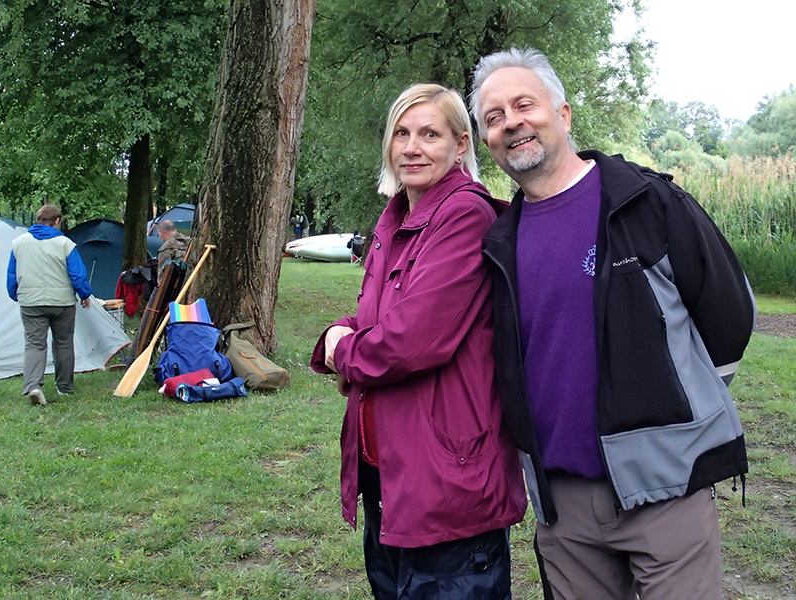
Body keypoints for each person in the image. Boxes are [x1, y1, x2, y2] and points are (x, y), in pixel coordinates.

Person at [469, 47, 757, 600]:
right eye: (494, 117)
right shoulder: (498, 243)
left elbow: (730, 314)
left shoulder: (647, 203)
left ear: (563, 113)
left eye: (524, 105)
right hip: (564, 510)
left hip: (667, 493)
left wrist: (679, 415)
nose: (512, 123)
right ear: (486, 140)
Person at [311, 83, 527, 599]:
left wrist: (342, 351)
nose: (412, 148)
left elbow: (410, 341)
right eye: (401, 134)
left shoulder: (463, 215)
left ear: (460, 145)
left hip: (447, 479)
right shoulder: (397, 217)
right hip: (392, 472)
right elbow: (380, 316)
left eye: (430, 134)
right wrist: (338, 334)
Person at [6, 205, 92, 405]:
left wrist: (16, 295)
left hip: (31, 302)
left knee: (34, 344)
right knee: (63, 343)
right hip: (62, 303)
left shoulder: (19, 243)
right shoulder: (65, 244)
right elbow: (77, 274)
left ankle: (33, 386)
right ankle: (64, 387)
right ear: (57, 221)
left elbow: (12, 275)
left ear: (37, 220)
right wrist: (84, 294)